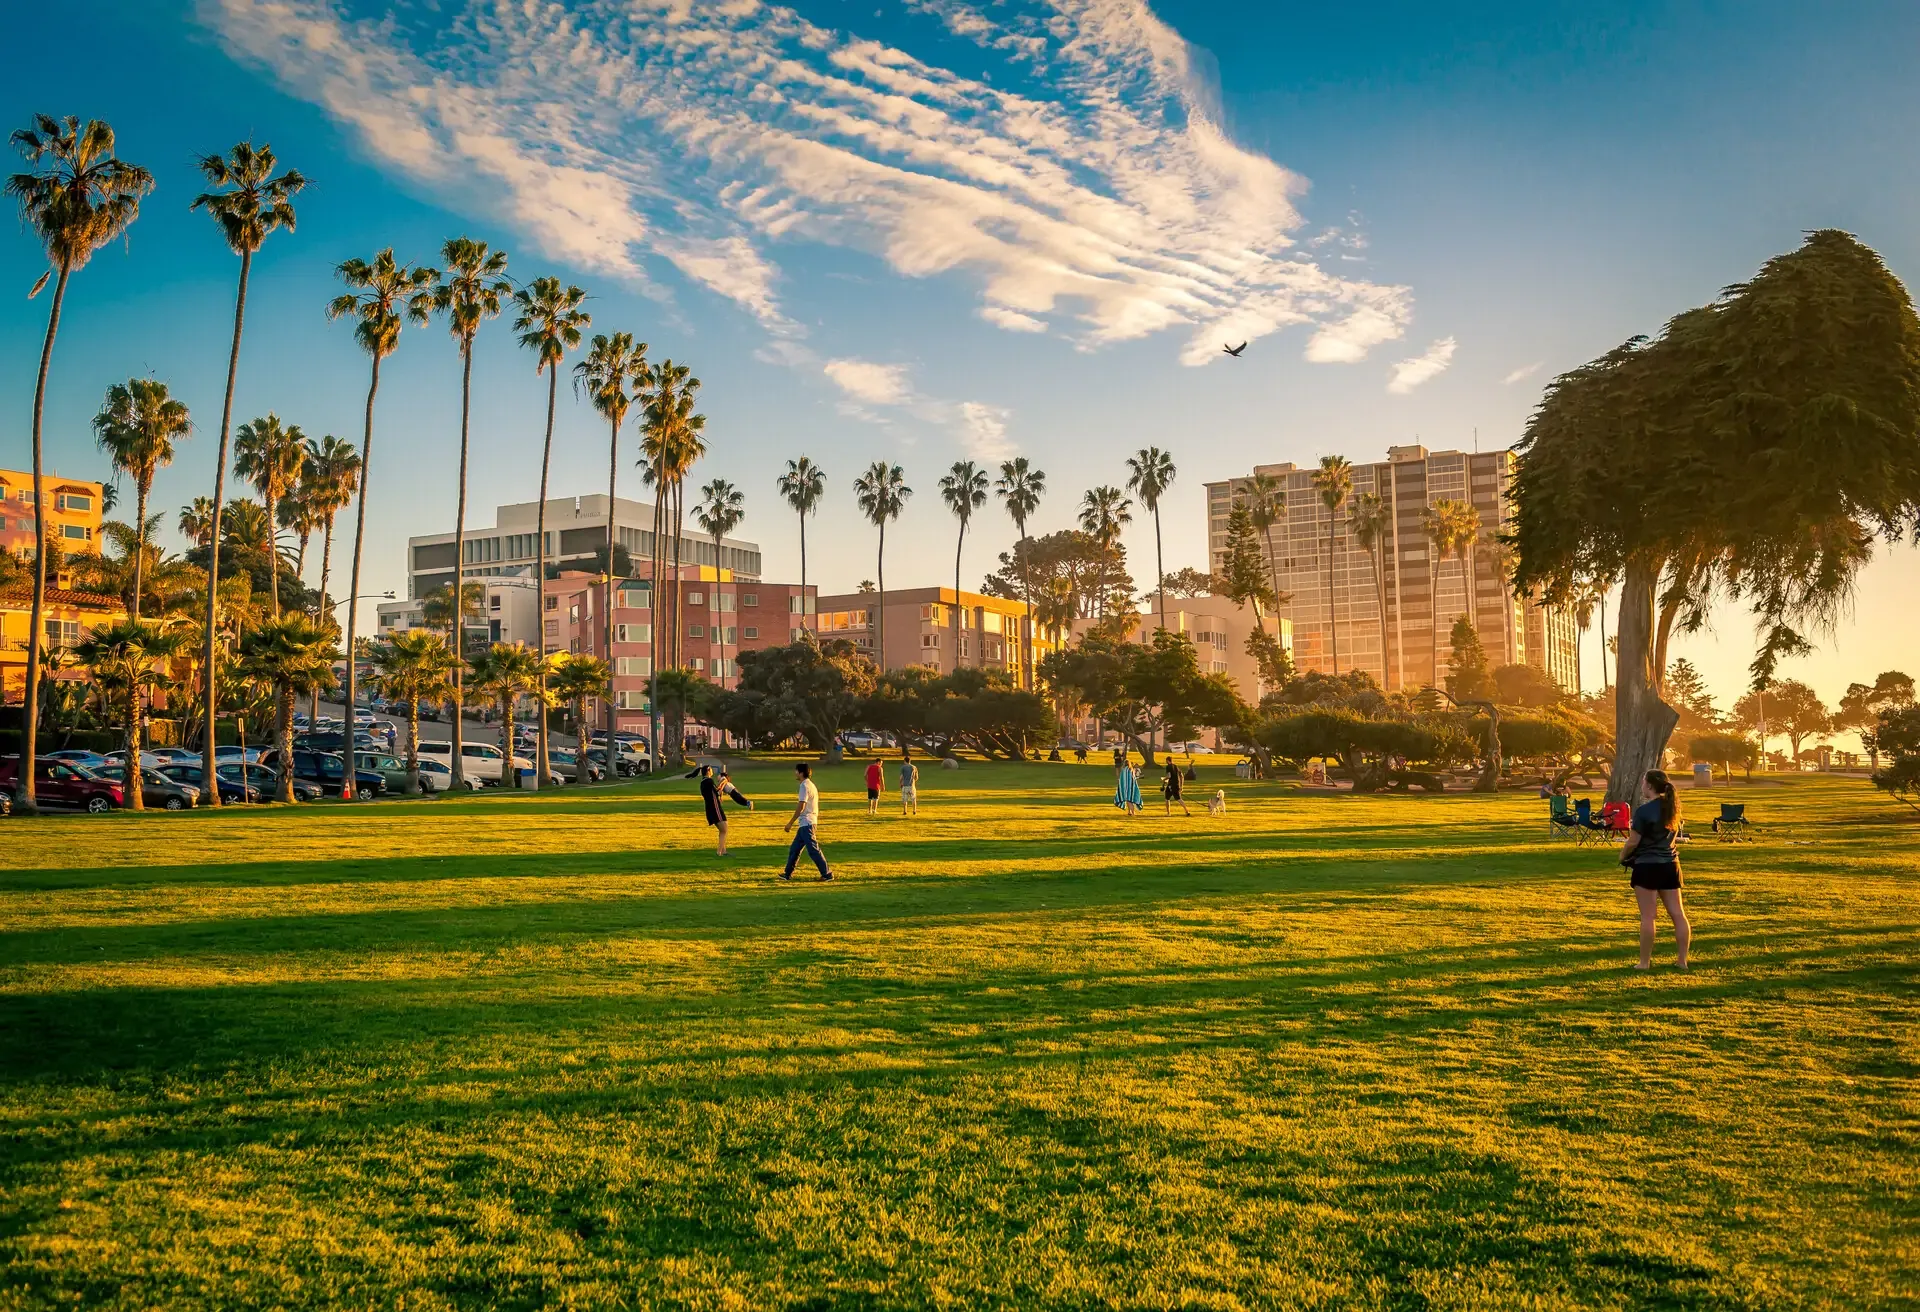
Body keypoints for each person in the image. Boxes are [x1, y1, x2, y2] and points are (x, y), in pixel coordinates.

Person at [1618, 768, 1690, 970]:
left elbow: (1633, 842)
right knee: (1678, 914)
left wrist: (1622, 856)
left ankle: (1644, 962)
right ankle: (1682, 961)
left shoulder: (1643, 812)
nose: (1642, 786)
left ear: (1649, 785)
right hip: (1670, 866)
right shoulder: (1673, 809)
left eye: (1643, 782)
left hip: (1647, 867)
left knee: (1648, 916)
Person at [781, 761, 833, 881]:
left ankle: (827, 874)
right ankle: (787, 874)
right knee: (794, 849)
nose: (795, 773)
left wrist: (790, 822)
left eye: (796, 771)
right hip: (807, 822)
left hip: (807, 823)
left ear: (801, 773)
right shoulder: (811, 785)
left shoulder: (804, 786)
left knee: (813, 850)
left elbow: (801, 806)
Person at [689, 764, 752, 856]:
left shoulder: (703, 782)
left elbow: (715, 792)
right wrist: (724, 781)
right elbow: (718, 791)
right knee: (724, 830)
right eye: (711, 769)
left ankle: (724, 851)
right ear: (708, 770)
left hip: (710, 808)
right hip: (715, 808)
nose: (712, 771)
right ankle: (719, 852)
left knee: (723, 830)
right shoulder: (709, 781)